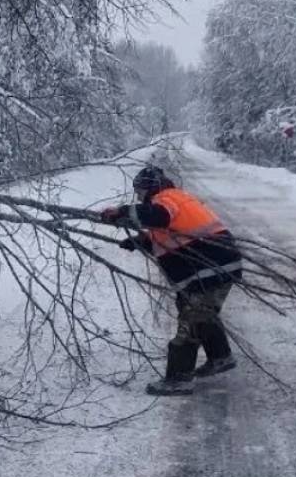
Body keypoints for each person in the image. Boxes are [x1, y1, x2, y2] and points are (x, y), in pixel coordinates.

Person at [99, 165, 243, 396]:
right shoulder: (174, 200)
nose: (139, 196)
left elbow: (158, 216)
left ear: (151, 188)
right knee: (199, 313)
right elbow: (168, 234)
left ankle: (179, 379)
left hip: (211, 269)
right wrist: (140, 242)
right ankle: (220, 357)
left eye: (140, 191)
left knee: (192, 320)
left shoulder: (166, 199)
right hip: (214, 268)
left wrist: (122, 212)